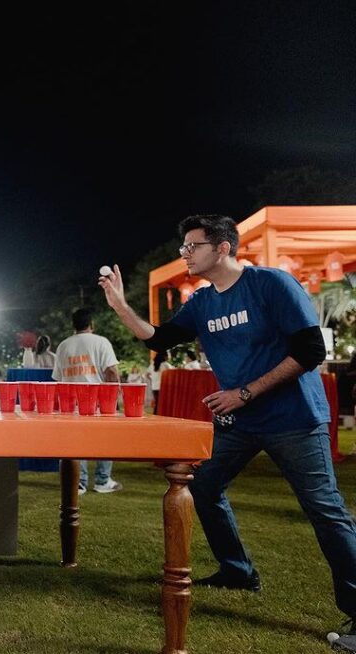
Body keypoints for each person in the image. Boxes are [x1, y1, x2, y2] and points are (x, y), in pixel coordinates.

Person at [99, 214, 356, 649]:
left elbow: (310, 350)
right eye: (182, 246)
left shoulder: (271, 284)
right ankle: (237, 570)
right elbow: (159, 339)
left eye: (192, 246)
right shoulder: (201, 302)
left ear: (222, 248)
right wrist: (121, 307)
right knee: (202, 485)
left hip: (293, 418)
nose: (184, 253)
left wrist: (245, 393)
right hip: (240, 423)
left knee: (325, 512)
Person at [52, 308, 122, 495]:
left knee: (74, 442)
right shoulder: (101, 342)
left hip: (70, 399)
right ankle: (102, 480)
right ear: (92, 324)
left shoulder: (63, 346)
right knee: (104, 440)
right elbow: (112, 372)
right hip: (97, 396)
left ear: (73, 325)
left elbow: (58, 378)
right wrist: (114, 395)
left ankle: (77, 483)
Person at [149, 350, 172, 414]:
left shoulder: (153, 364)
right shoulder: (166, 365)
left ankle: (155, 415)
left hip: (154, 387)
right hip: (163, 387)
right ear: (165, 357)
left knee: (157, 403)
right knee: (163, 404)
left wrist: (152, 379)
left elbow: (147, 374)